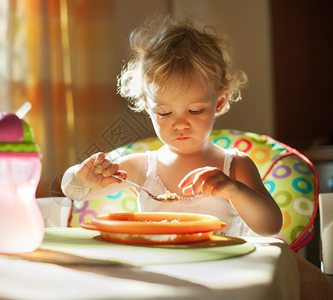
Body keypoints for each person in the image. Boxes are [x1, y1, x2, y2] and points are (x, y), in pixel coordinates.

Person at [61, 15, 282, 237]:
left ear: (220, 103)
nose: (180, 124)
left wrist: (235, 190)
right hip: (159, 267)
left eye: (195, 110)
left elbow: (270, 227)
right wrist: (80, 177)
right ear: (147, 106)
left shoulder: (234, 165)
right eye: (164, 112)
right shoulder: (141, 168)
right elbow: (75, 193)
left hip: (218, 267)